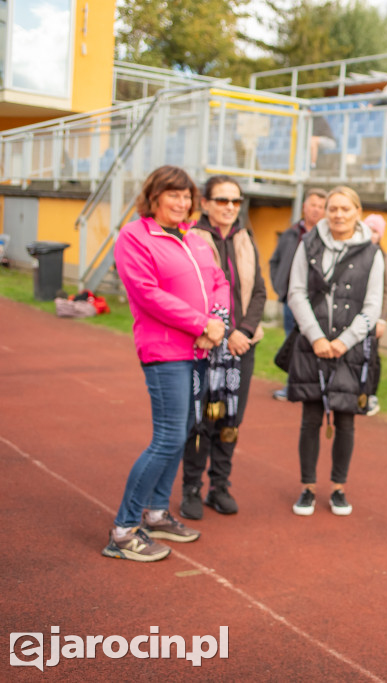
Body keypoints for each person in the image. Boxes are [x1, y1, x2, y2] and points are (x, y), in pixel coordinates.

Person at [104, 165, 228, 562]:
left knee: (182, 431)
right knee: (168, 437)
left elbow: (218, 282)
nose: (182, 202)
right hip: (165, 351)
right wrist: (200, 322)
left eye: (186, 195)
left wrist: (220, 322)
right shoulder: (134, 237)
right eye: (173, 194)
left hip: (199, 350)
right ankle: (123, 530)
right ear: (154, 197)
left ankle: (156, 513)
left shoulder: (194, 238)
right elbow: (146, 294)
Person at [286, 185, 384, 517]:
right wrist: (315, 337)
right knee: (310, 417)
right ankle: (308, 487)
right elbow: (296, 292)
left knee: (345, 419)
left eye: (345, 208)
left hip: (350, 349)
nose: (338, 215)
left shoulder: (373, 252)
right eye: (333, 209)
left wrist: (345, 341)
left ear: (357, 211)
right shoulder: (308, 243)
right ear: (325, 212)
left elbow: (373, 305)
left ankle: (339, 487)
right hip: (312, 345)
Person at [179, 176, 266, 519]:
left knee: (231, 417)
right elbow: (191, 292)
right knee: (199, 418)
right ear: (205, 203)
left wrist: (243, 330)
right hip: (205, 344)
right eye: (222, 200)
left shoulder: (246, 237)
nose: (230, 207)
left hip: (242, 344)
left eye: (235, 201)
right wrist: (226, 331)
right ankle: (190, 488)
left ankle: (220, 486)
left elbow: (259, 290)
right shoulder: (190, 238)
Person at [269, 188, 327, 401]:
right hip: (291, 302)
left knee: (316, 343)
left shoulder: (327, 238)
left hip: (317, 303)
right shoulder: (291, 233)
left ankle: (315, 388)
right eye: (313, 205)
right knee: (291, 343)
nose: (317, 210)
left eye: (321, 206)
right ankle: (291, 387)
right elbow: (275, 261)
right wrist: (281, 288)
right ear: (304, 207)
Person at [362, 213, 387, 417]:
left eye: (375, 230)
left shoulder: (385, 258)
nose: (371, 234)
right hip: (356, 316)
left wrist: (382, 319)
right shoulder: (356, 254)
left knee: (372, 356)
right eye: (368, 229)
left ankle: (370, 395)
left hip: (374, 317)